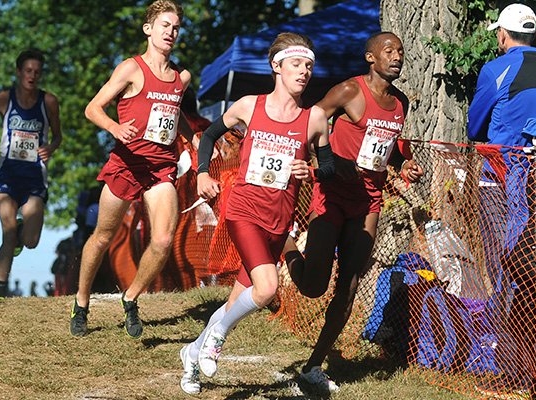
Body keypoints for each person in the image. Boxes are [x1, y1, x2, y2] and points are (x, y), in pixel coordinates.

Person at [178, 32, 335, 395]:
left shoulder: (315, 119)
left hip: (279, 222)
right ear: (276, 67)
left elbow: (328, 167)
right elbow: (208, 136)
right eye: (297, 64)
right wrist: (202, 172)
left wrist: (310, 172)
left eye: (309, 66)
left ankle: (192, 353)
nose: (304, 71)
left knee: (237, 301)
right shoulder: (249, 106)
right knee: (266, 289)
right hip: (244, 211)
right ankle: (216, 335)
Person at [281, 32, 423, 393]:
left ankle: (314, 365)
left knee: (350, 284)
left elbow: (386, 150)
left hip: (368, 200)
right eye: (388, 51)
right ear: (370, 58)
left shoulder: (401, 103)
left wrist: (403, 167)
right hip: (332, 194)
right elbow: (311, 125)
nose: (396, 57)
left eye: (401, 51)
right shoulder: (348, 91)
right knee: (314, 286)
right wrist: (325, 162)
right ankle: (285, 246)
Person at [69, 0, 197, 338]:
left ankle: (130, 298)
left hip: (160, 169)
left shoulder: (179, 78)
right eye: (165, 25)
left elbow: (174, 112)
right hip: (127, 164)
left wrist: (192, 137)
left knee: (163, 239)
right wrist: (114, 128)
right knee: (103, 237)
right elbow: (92, 108)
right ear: (148, 29)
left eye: (175, 28)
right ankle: (81, 303)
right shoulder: (131, 68)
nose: (170, 32)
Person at [467, 4, 536, 394]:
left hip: (504, 181)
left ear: (503, 35)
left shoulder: (496, 69)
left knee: (505, 268)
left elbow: (474, 125)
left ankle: (511, 365)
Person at [0, 48, 62, 298]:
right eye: (28, 71)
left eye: (37, 72)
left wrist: (50, 148)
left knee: (30, 241)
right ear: (19, 72)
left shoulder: (49, 101)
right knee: (8, 233)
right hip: (7, 176)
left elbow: (58, 136)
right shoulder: (3, 99)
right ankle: (0, 291)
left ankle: (24, 232)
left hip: (34, 177)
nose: (32, 76)